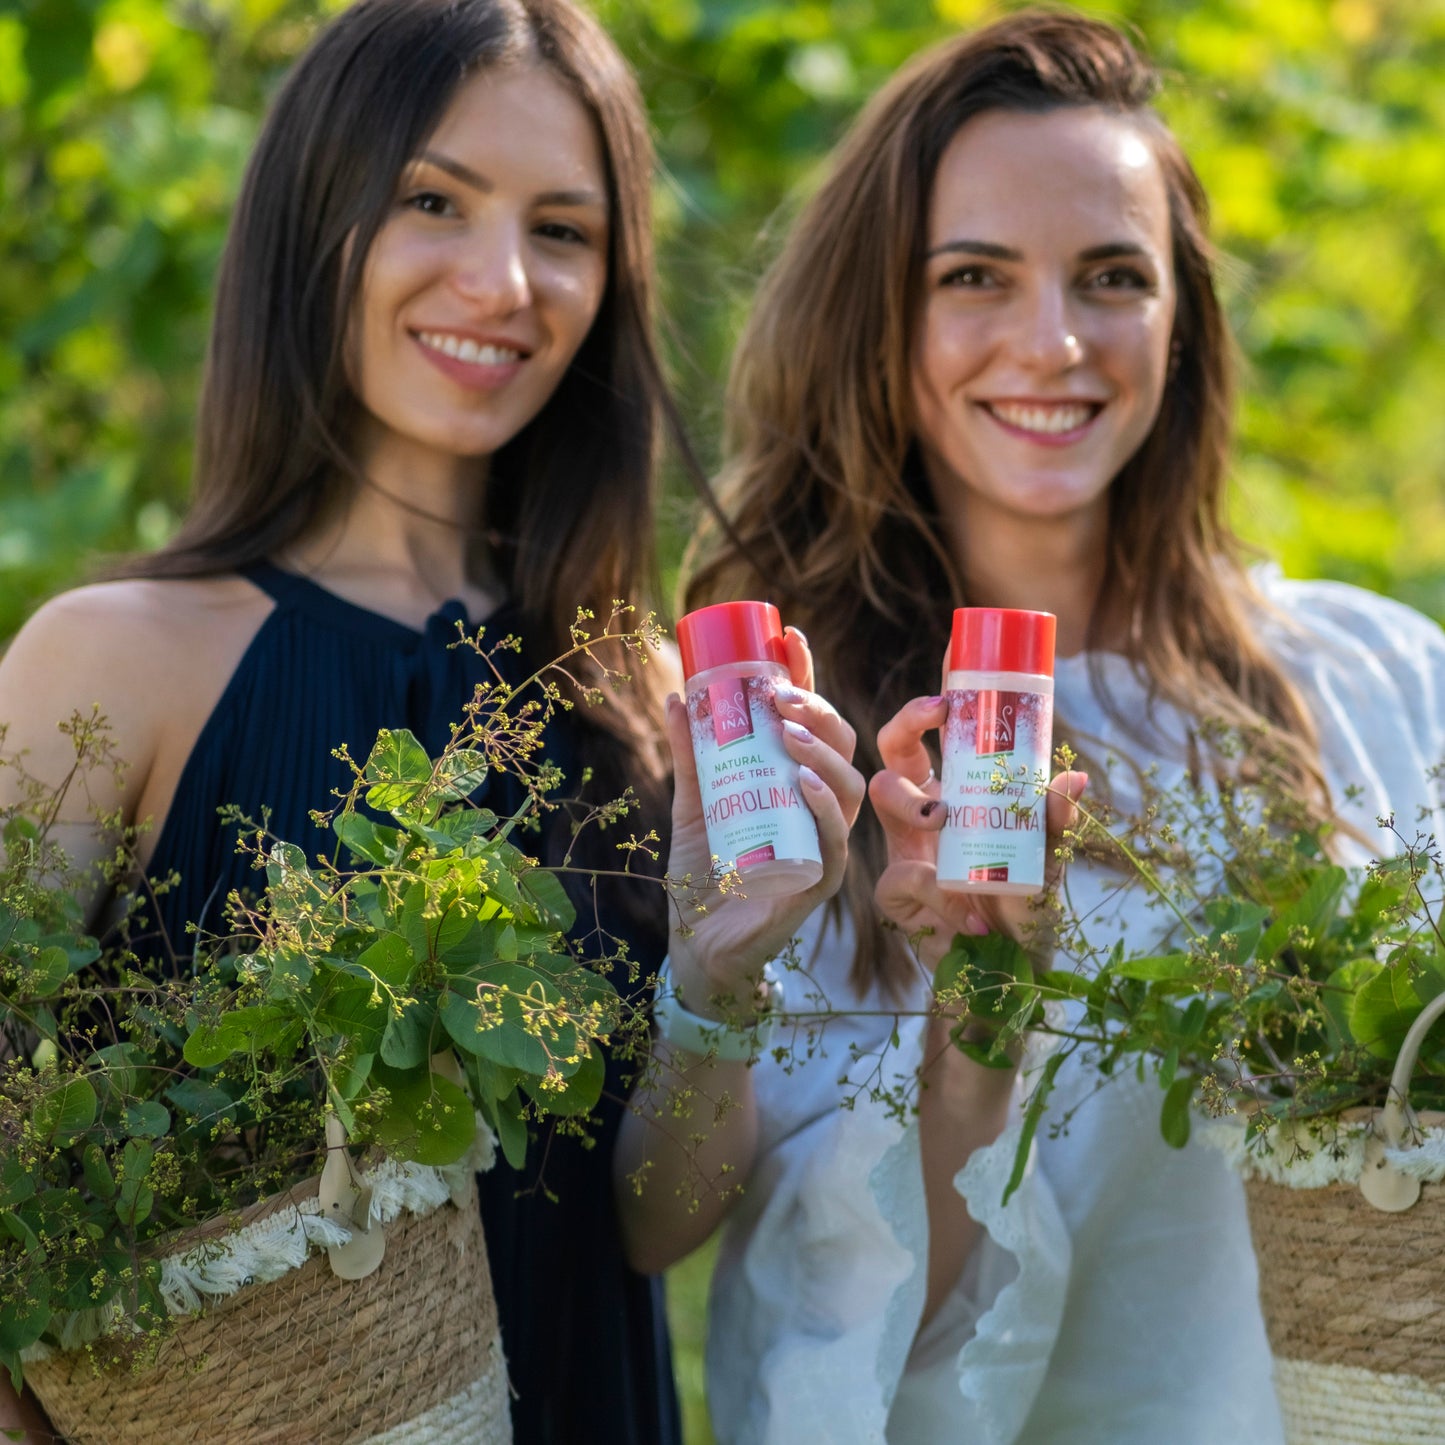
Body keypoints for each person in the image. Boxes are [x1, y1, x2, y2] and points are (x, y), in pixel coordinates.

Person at [619, 11, 1445, 1443]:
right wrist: (978, 1026)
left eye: (1111, 276)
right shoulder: (788, 756)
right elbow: (750, 1279)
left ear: (1180, 318)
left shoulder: (1372, 676)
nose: (1052, 341)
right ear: (878, 314)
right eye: (974, 277)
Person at [0, 1, 730, 1439]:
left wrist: (726, 968)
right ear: (311, 217)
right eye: (431, 199)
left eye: (564, 231)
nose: (502, 279)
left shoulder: (638, 695)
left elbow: (648, 1230)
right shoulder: (111, 664)